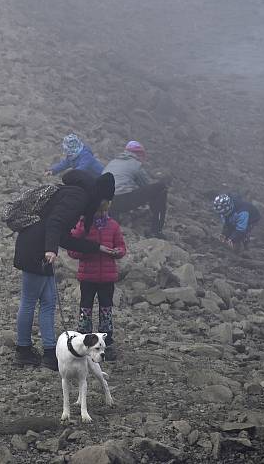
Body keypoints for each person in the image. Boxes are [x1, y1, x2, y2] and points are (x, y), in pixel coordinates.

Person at [13, 169, 118, 371]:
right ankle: (23, 349)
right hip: (37, 249)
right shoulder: (78, 196)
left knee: (48, 302)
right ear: (101, 196)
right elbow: (55, 223)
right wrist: (50, 250)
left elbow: (64, 236)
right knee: (30, 300)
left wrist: (96, 247)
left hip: (37, 247)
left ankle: (49, 353)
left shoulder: (74, 194)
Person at [67, 200, 126, 360]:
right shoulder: (82, 226)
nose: (102, 215)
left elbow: (122, 247)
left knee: (106, 309)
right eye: (99, 212)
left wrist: (117, 252)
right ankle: (83, 339)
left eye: (104, 211)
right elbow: (72, 249)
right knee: (85, 308)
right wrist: (87, 251)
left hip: (107, 277)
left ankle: (106, 342)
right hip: (88, 276)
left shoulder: (113, 226)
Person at [103, 140, 169, 238]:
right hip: (120, 200)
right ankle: (156, 230)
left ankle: (113, 220)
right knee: (160, 188)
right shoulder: (135, 164)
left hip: (104, 202)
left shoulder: (113, 162)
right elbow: (146, 186)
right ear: (139, 154)